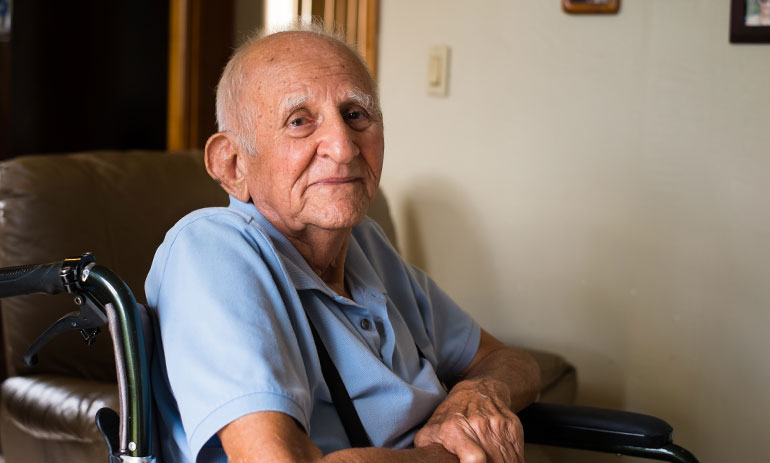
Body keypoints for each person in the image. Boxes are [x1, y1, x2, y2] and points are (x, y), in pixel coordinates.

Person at [146, 23, 541, 463]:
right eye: (299, 121)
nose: (344, 147)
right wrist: (455, 456)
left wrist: (476, 396)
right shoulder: (212, 250)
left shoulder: (366, 244)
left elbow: (508, 360)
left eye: (356, 114)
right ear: (233, 164)